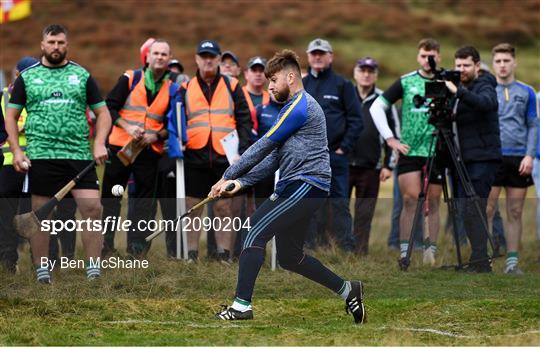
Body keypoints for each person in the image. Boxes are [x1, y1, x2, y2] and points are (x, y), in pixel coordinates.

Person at [210, 49, 365, 324]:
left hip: (306, 185)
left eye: (273, 80)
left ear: (291, 77)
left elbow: (264, 143)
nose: (268, 86)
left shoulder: (300, 106)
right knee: (290, 257)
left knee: (253, 230)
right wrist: (240, 182)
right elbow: (273, 159)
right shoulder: (291, 109)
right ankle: (347, 289)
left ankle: (241, 305)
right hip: (296, 187)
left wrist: (227, 174)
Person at [5, 24, 111, 283]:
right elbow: (11, 115)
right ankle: (43, 272)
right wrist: (17, 150)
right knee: (42, 215)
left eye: (61, 42)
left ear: (67, 45)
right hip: (42, 155)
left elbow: (103, 113)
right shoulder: (28, 78)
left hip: (78, 155)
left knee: (93, 208)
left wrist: (99, 143)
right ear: (43, 45)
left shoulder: (81, 75)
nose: (56, 47)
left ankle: (93, 272)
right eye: (51, 42)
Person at [370, 38, 444, 266]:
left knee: (433, 200)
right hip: (410, 150)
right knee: (410, 200)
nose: (427, 60)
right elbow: (377, 107)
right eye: (423, 55)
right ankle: (405, 252)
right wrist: (390, 138)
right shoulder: (406, 81)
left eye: (431, 56)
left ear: (439, 57)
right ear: (417, 57)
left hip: (437, 149)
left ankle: (430, 252)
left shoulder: (445, 81)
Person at [101, 39, 175, 258]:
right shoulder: (130, 78)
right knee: (112, 198)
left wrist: (156, 136)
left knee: (144, 202)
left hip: (148, 152)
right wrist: (127, 126)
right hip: (119, 147)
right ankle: (105, 244)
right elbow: (109, 107)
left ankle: (136, 247)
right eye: (156, 53)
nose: (160, 57)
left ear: (169, 59)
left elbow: (174, 125)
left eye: (164, 54)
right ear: (148, 56)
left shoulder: (173, 88)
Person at [180, 40, 252, 262]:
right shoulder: (185, 87)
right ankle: (191, 255)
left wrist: (242, 151)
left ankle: (224, 256)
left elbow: (244, 119)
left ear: (219, 59)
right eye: (204, 56)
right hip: (194, 154)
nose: (208, 60)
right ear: (197, 59)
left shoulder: (232, 85)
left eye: (212, 56)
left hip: (225, 158)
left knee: (223, 207)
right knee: (193, 208)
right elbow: (177, 120)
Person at [443, 45, 501, 273]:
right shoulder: (457, 90)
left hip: (483, 158)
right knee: (463, 209)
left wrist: (457, 91)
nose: (462, 69)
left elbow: (487, 103)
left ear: (477, 65)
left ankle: (480, 261)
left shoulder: (485, 84)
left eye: (466, 65)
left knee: (473, 207)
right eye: (458, 65)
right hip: (461, 160)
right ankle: (478, 259)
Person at [303, 38, 363, 251]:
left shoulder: (343, 84)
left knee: (339, 203)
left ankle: (346, 247)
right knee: (308, 203)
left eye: (322, 53)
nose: (317, 57)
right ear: (308, 57)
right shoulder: (302, 85)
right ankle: (308, 247)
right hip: (308, 157)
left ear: (331, 56)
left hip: (335, 155)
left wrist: (344, 148)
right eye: (314, 53)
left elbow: (356, 119)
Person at [487, 43, 538, 274]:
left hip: (519, 157)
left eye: (506, 60)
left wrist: (529, 154)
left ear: (514, 62)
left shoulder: (526, 91)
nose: (502, 65)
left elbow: (532, 124)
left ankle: (512, 262)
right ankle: (484, 258)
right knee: (487, 208)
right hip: (493, 157)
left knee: (515, 211)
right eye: (498, 61)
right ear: (493, 63)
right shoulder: (486, 89)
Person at [349, 57, 395, 255]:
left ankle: (360, 252)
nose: (366, 74)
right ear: (355, 73)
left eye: (370, 71)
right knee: (337, 209)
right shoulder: (346, 96)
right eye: (362, 70)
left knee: (365, 212)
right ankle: (338, 249)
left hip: (371, 167)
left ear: (376, 75)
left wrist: (388, 165)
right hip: (344, 164)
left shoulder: (384, 100)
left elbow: (394, 134)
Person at [0, 56, 37, 273]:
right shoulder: (3, 97)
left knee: (37, 213)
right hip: (8, 163)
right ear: (18, 75)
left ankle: (41, 261)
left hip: (37, 163)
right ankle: (7, 261)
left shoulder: (41, 98)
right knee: (6, 215)